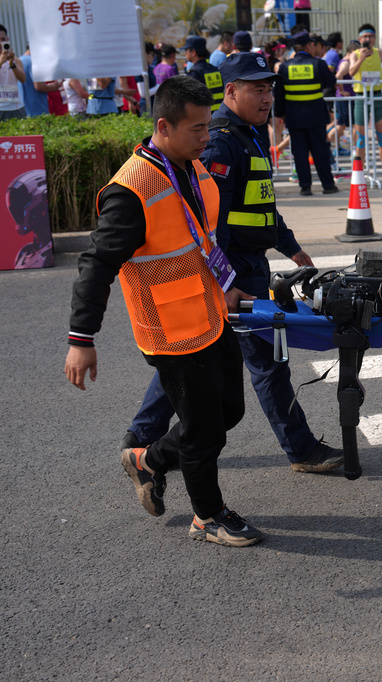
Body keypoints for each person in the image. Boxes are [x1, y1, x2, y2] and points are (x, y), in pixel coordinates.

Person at [122, 53, 346, 477]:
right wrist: (220, 282)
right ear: (231, 92)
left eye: (269, 88)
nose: (266, 97)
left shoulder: (249, 134)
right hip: (234, 271)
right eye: (256, 88)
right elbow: (211, 222)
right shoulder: (222, 139)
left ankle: (139, 440)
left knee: (192, 359)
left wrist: (291, 247)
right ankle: (300, 449)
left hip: (250, 265)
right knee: (267, 362)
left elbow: (260, 201)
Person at [65, 76, 263, 547]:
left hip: (210, 315)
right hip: (169, 330)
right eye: (196, 128)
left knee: (229, 412)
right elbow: (95, 265)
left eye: (208, 125)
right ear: (163, 126)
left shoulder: (191, 166)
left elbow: (200, 241)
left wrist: (228, 288)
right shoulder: (130, 190)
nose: (206, 136)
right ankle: (208, 515)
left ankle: (148, 460)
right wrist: (81, 339)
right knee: (204, 430)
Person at [274, 31, 338, 195]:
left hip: (294, 118)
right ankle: (328, 185)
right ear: (309, 45)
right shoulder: (318, 64)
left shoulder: (284, 67)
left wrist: (280, 114)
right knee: (320, 151)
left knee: (300, 152)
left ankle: (305, 187)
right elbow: (331, 81)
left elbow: (279, 95)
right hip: (316, 117)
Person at [348, 24, 382, 186]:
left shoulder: (379, 53)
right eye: (364, 37)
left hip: (376, 96)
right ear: (360, 39)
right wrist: (361, 58)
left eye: (370, 36)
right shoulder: (354, 54)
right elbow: (351, 72)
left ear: (374, 39)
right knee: (361, 139)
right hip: (361, 96)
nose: (367, 39)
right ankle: (359, 175)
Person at [183, 36, 224, 112]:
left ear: (193, 52)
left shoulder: (194, 73)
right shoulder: (216, 70)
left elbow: (192, 102)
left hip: (206, 118)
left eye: (186, 51)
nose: (185, 54)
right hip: (220, 115)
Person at [18, 46, 59, 117]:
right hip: (37, 109)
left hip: (24, 108)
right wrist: (54, 87)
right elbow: (39, 86)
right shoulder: (34, 62)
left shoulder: (19, 60)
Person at [0, 25, 26, 120]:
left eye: (3, 39)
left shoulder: (16, 60)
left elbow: (23, 79)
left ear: (7, 39)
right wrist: (1, 62)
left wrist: (12, 64)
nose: (0, 43)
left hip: (16, 106)